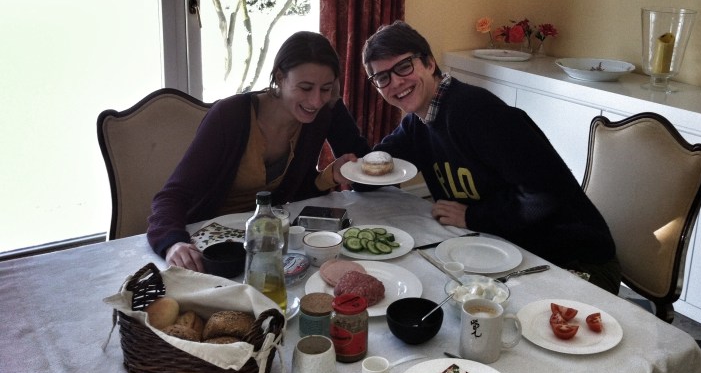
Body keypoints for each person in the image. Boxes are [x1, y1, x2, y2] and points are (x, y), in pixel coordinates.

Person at [361, 21, 621, 294]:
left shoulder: (476, 112)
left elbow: (545, 198)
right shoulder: (418, 123)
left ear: (429, 62)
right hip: (507, 249)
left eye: (403, 66)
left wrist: (475, 217)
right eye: (382, 78)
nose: (396, 82)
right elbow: (369, 172)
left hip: (577, 261)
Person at [148, 31, 370, 271]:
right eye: (305, 88)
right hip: (209, 247)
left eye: (326, 88)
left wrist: (331, 176)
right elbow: (172, 195)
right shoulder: (229, 116)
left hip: (266, 241)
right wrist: (173, 243)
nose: (316, 101)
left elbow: (304, 190)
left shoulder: (322, 113)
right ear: (279, 77)